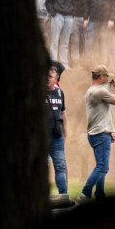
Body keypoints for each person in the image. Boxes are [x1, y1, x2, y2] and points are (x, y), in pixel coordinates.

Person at [78, 65, 115, 201]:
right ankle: (85, 193)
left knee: (100, 165)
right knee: (103, 167)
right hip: (100, 134)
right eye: (106, 76)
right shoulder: (98, 92)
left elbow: (104, 111)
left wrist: (110, 130)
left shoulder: (93, 90)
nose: (108, 78)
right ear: (101, 77)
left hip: (99, 133)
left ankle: (100, 195)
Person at [46, 63, 69, 196]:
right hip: (42, 138)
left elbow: (63, 113)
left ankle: (63, 195)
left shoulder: (60, 93)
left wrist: (66, 131)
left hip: (57, 137)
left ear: (56, 78)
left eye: (50, 76)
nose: (47, 78)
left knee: (60, 166)